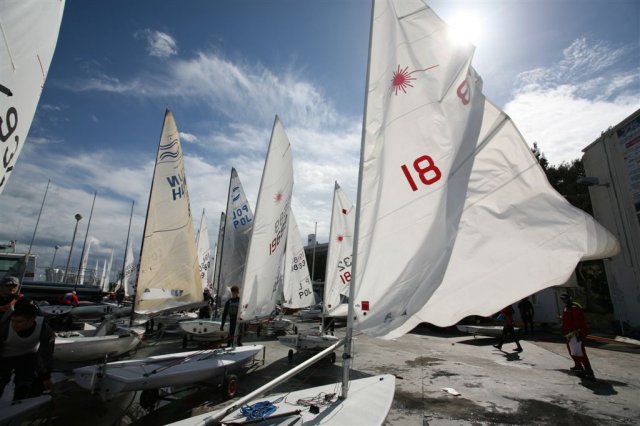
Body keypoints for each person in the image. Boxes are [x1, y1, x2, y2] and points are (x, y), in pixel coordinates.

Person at [0, 298, 55, 401]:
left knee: (26, 382)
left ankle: (21, 401)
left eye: (19, 322)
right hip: (4, 357)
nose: (14, 324)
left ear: (31, 320)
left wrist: (46, 377)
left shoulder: (45, 329)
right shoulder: (4, 328)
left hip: (29, 356)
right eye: (13, 321)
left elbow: (46, 354)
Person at [560, 293, 595, 379]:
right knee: (572, 350)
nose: (564, 301)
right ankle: (578, 365)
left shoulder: (574, 308)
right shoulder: (566, 308)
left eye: (565, 299)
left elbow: (578, 321)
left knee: (580, 351)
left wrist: (576, 332)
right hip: (569, 334)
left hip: (576, 334)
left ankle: (588, 369)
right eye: (563, 300)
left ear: (569, 299)